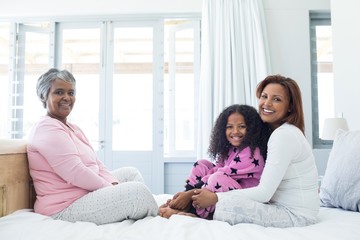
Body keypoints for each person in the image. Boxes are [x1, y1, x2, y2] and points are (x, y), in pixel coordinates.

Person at [27, 68, 158, 225]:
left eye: (71, 93)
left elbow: (97, 163)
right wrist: (110, 189)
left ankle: (143, 212)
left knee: (131, 174)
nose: (66, 98)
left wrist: (113, 183)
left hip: (84, 193)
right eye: (59, 92)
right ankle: (161, 213)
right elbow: (76, 172)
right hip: (63, 207)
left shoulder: (73, 128)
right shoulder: (47, 128)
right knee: (138, 193)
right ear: (44, 95)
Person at [187, 74, 320, 227]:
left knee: (229, 204)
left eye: (276, 99)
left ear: (290, 106)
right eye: (264, 96)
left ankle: (193, 214)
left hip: (295, 215)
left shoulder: (284, 135)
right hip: (281, 206)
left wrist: (215, 197)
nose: (266, 104)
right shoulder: (274, 133)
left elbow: (263, 193)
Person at [159, 104, 271, 219]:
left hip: (243, 197)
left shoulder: (252, 153)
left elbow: (222, 174)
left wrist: (190, 193)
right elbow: (217, 168)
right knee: (202, 164)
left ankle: (195, 211)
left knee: (217, 178)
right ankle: (183, 203)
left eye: (242, 126)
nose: (235, 131)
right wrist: (190, 188)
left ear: (252, 128)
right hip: (228, 187)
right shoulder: (230, 149)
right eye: (230, 127)